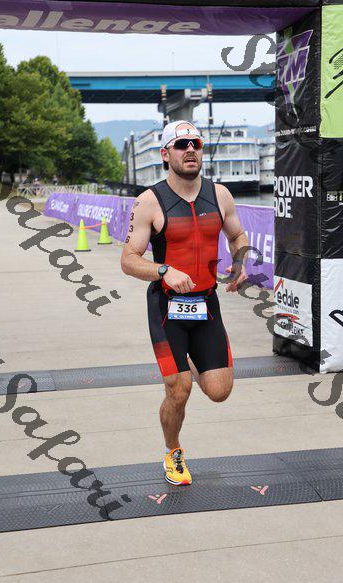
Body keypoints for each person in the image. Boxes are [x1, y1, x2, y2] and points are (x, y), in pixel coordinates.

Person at [121, 120, 249, 486]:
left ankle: (187, 361)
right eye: (181, 145)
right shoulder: (149, 201)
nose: (190, 149)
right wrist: (163, 270)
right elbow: (128, 260)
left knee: (220, 391)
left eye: (196, 143)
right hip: (167, 307)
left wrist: (239, 261)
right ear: (166, 154)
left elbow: (237, 234)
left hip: (207, 303)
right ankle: (173, 451)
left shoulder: (220, 195)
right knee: (179, 390)